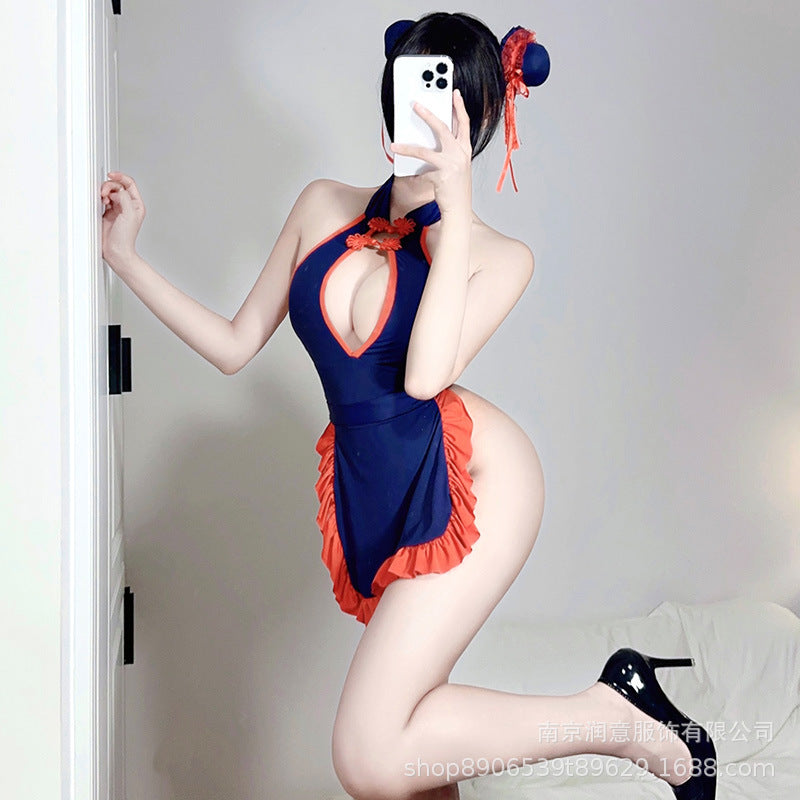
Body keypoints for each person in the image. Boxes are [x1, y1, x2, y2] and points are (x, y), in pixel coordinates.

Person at [100, 11, 715, 800]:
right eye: (409, 85)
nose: (417, 110)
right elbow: (232, 345)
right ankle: (620, 704)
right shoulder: (322, 204)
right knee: (410, 741)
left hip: (476, 482)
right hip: (374, 483)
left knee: (369, 753)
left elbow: (424, 379)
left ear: (480, 120)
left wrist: (452, 212)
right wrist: (124, 257)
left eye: (442, 97)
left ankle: (615, 717)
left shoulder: (499, 256)